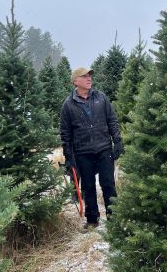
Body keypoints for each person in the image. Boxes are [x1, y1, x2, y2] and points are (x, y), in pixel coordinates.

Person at [60, 67, 124, 228]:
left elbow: (112, 120)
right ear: (75, 81)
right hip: (83, 152)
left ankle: (114, 219)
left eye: (90, 76)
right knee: (88, 186)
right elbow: (65, 134)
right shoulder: (68, 105)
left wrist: (117, 141)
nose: (89, 78)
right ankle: (92, 220)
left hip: (104, 149)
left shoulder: (101, 97)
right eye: (84, 76)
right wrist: (69, 158)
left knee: (108, 184)